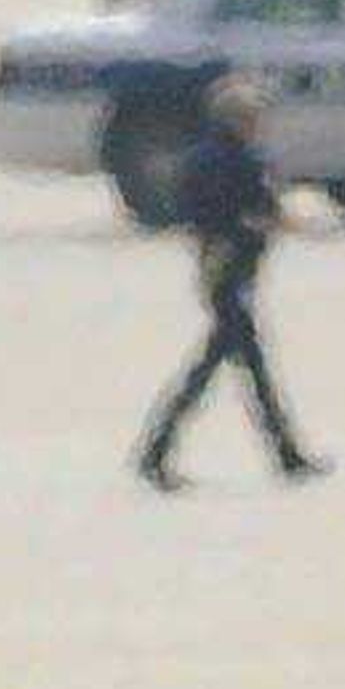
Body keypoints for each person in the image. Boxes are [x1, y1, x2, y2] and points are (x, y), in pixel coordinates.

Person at [132, 75, 321, 491]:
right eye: (253, 117)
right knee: (214, 371)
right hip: (234, 270)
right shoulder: (243, 162)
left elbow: (187, 211)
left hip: (212, 268)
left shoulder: (198, 159)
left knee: (245, 368)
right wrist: (295, 226)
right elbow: (261, 212)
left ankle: (286, 454)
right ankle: (155, 452)